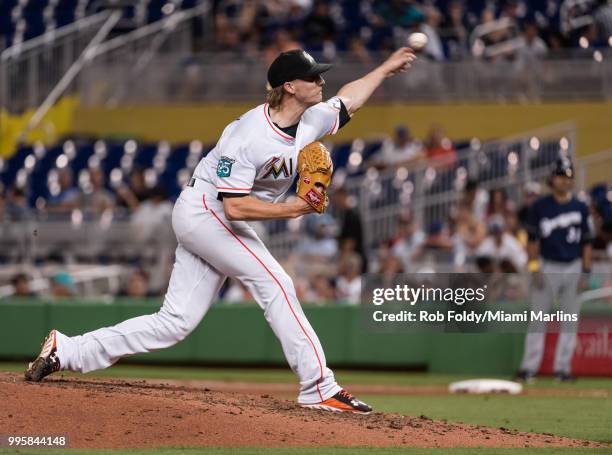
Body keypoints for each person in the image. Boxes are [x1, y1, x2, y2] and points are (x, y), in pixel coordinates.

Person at [25, 47, 417, 414]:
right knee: (276, 282)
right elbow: (234, 207)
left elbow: (350, 99)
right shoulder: (247, 135)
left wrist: (384, 68)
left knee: (174, 322)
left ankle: (67, 350)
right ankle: (319, 387)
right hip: (206, 210)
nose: (321, 83)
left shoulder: (310, 119)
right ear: (290, 87)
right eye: (313, 77)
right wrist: (294, 208)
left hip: (215, 217)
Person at [516, 157, 593, 383]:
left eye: (569, 177)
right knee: (538, 319)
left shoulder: (580, 207)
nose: (565, 181)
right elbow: (531, 240)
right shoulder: (540, 207)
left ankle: (563, 369)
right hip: (547, 265)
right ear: (553, 178)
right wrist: (533, 266)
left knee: (570, 321)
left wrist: (586, 272)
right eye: (561, 176)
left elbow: (587, 243)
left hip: (573, 265)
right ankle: (529, 368)